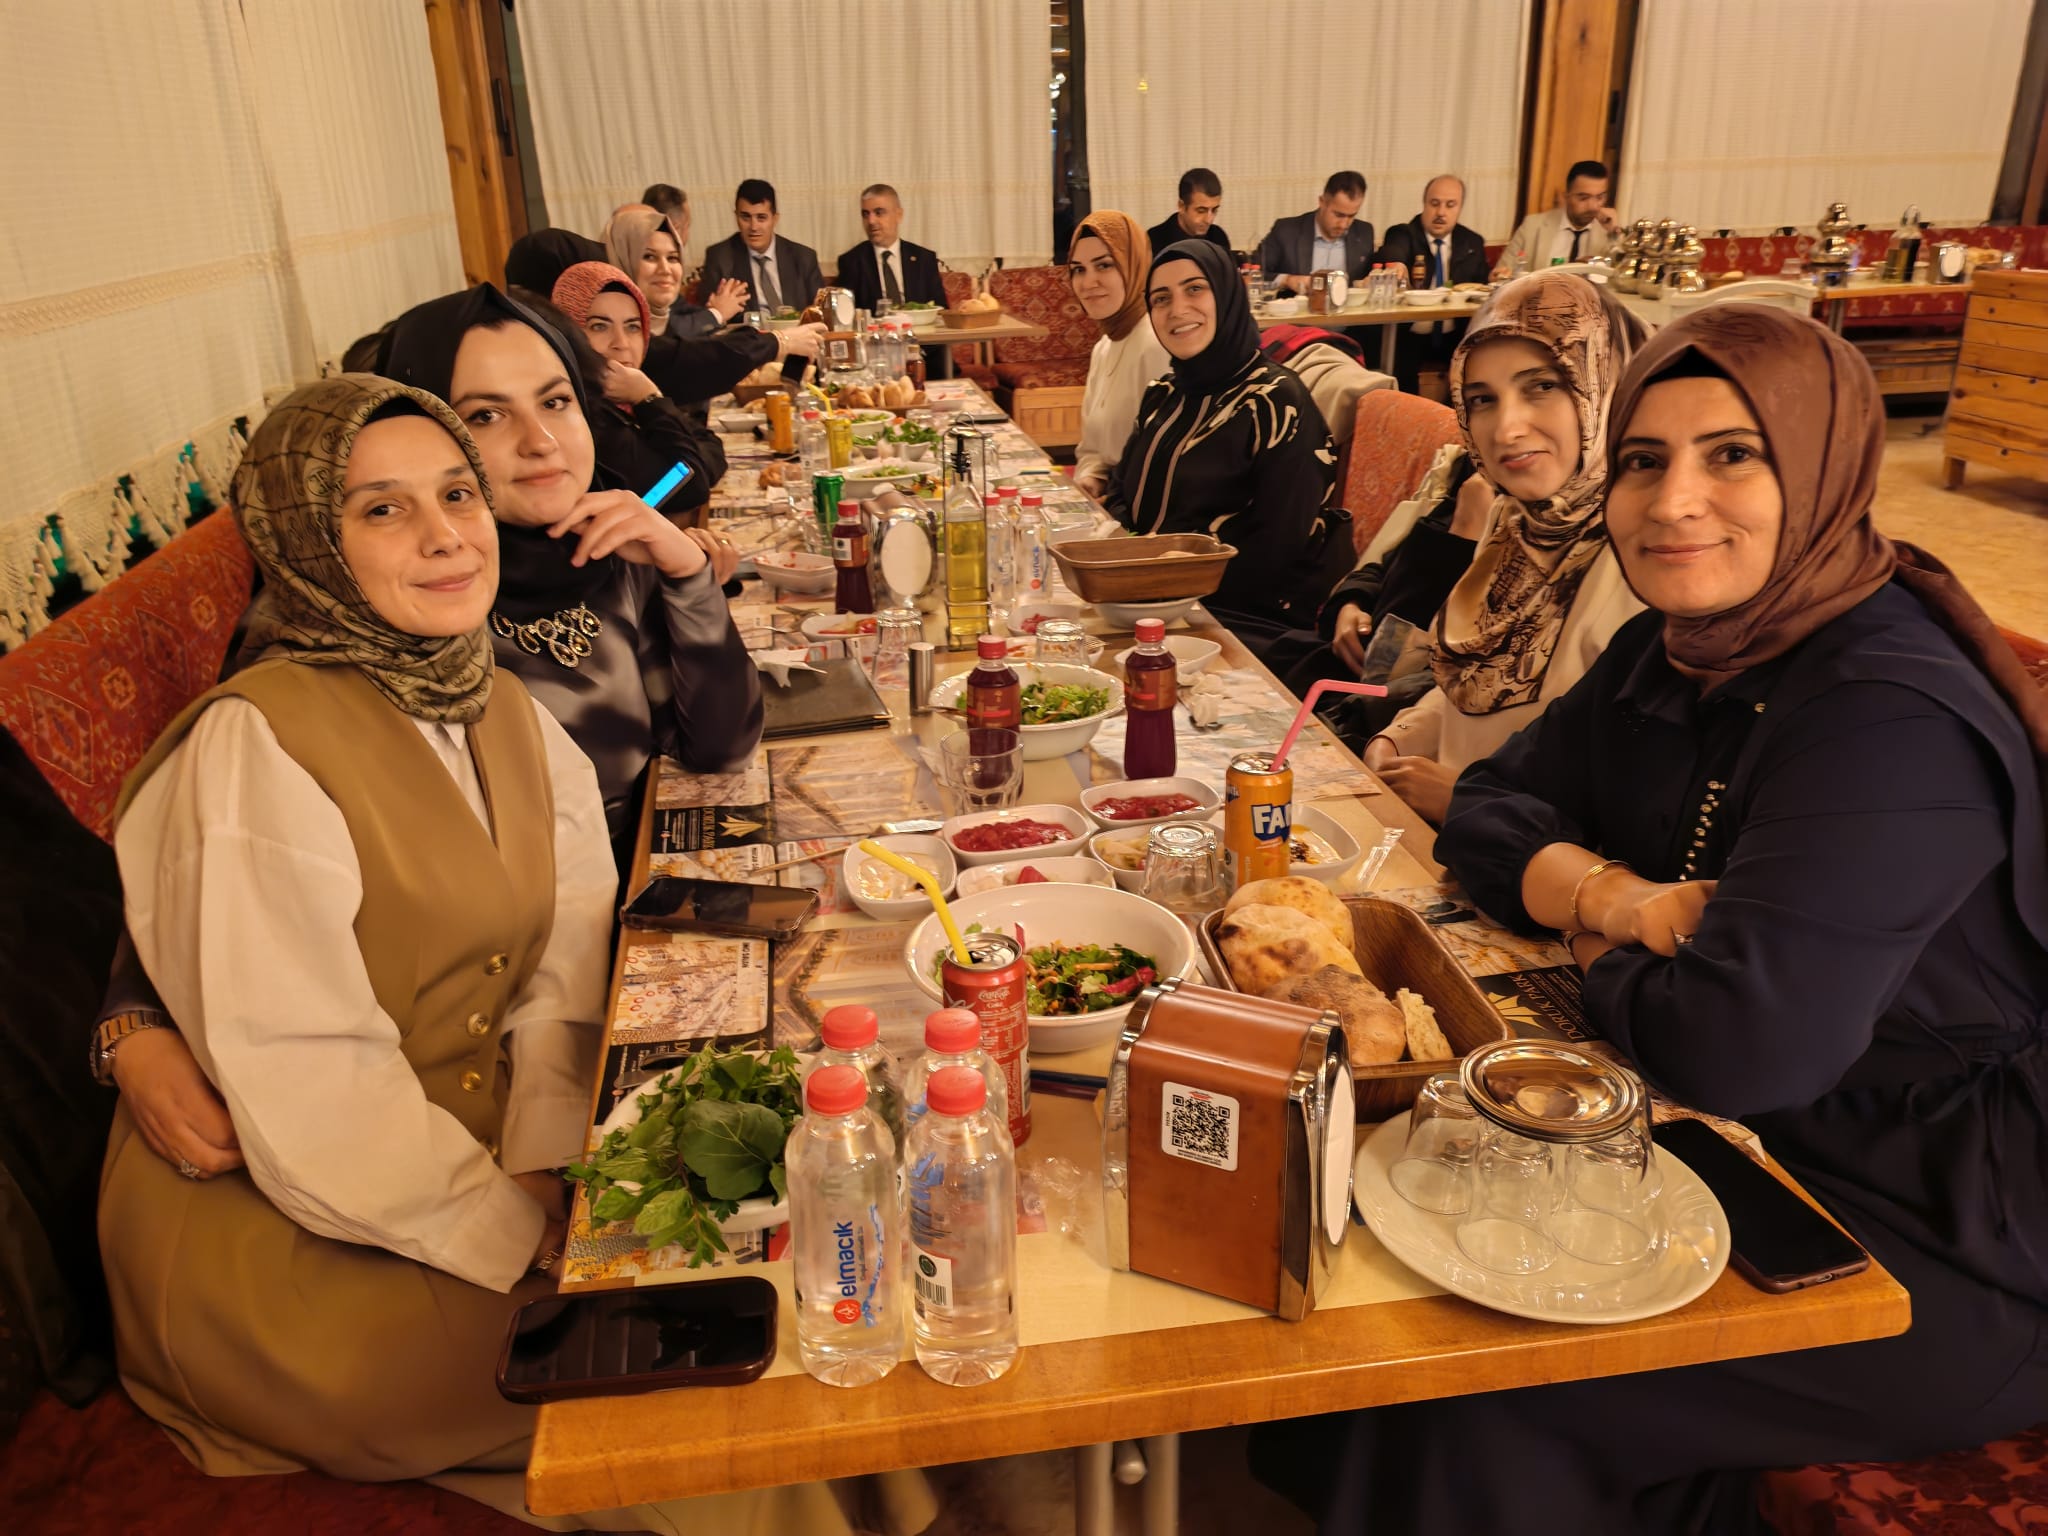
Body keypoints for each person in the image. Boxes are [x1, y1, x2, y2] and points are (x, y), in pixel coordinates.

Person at [1269, 304, 2048, 1536]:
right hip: (1725, 1136)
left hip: (1931, 1229)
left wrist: (1594, 958)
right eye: (1642, 459)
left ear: (1825, 466)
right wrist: (1614, 899)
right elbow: (1485, 808)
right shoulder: (1670, 649)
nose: (1673, 500)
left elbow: (1735, 1046)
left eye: (1732, 454)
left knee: (1480, 1389)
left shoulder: (1887, 716)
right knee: (1377, 1246)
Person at [1360, 270, 1649, 821]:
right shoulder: (1514, 522)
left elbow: (1634, 802)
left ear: (1606, 383)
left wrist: (1467, 802)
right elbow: (1475, 683)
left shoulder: (1649, 561)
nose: (1506, 428)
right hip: (1450, 843)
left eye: (1542, 386)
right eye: (1482, 399)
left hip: (1532, 863)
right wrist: (1401, 737)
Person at [1104, 239, 1345, 635]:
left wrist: (1174, 585)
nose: (1177, 309)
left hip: (1241, 619)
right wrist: (1134, 560)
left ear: (1227, 294)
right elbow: (1120, 487)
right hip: (1149, 600)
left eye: (1195, 289)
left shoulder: (1274, 400)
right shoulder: (1164, 393)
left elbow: (1280, 546)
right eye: (1161, 298)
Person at [545, 262, 727, 526]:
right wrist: (650, 399)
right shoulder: (589, 417)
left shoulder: (624, 399)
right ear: (568, 335)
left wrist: (649, 400)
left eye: (632, 327)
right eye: (599, 326)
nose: (621, 343)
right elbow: (689, 486)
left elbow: (707, 444)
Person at [1066, 211, 1171, 499]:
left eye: (1104, 265)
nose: (1088, 282)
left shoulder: (1157, 343)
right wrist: (1092, 477)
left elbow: (1168, 463)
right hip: (1113, 498)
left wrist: (1115, 500)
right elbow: (1093, 448)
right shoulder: (1104, 346)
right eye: (1079, 269)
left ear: (1134, 266)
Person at [1374, 175, 1494, 394]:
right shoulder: (1404, 233)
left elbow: (1482, 286)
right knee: (1399, 368)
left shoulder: (1471, 241)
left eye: (1450, 205)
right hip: (1410, 335)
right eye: (1434, 203)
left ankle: (1458, 415)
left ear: (1460, 208)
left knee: (1479, 363)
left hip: (1455, 334)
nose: (1441, 212)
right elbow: (1394, 250)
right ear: (1424, 203)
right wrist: (1397, 264)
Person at [601, 205, 744, 338]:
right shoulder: (605, 319)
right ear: (621, 254)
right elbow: (669, 335)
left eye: (672, 258)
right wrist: (717, 313)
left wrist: (714, 311)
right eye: (649, 257)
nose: (665, 269)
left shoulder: (661, 303)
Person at [700, 179, 825, 317]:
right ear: (736, 217)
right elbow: (710, 314)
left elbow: (821, 311)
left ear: (775, 219)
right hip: (746, 330)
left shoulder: (803, 257)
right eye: (745, 217)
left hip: (797, 329)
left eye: (761, 218)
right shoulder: (719, 258)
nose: (753, 227)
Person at [1254, 171, 1376, 297]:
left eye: (1351, 216)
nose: (1344, 225)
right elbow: (1252, 274)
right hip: (1300, 308)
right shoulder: (1286, 231)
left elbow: (1370, 275)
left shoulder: (1364, 232)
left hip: (1348, 309)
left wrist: (1368, 282)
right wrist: (1287, 280)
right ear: (1322, 202)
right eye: (1338, 215)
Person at [1492, 160, 1618, 279]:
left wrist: (1614, 235)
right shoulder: (1532, 226)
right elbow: (1500, 275)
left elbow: (1620, 279)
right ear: (1566, 196)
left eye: (1599, 197)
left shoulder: (1609, 232)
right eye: (1583, 198)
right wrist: (1500, 275)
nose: (1593, 206)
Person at [833, 183, 948, 313]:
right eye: (865, 214)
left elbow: (940, 309)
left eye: (879, 213)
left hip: (917, 325)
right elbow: (845, 314)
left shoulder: (923, 258)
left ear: (899, 215)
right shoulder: (851, 261)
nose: (871, 221)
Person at [1145, 167, 1231, 259]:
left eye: (1214, 210)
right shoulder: (1153, 240)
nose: (1209, 220)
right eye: (1201, 211)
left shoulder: (1218, 237)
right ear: (1181, 206)